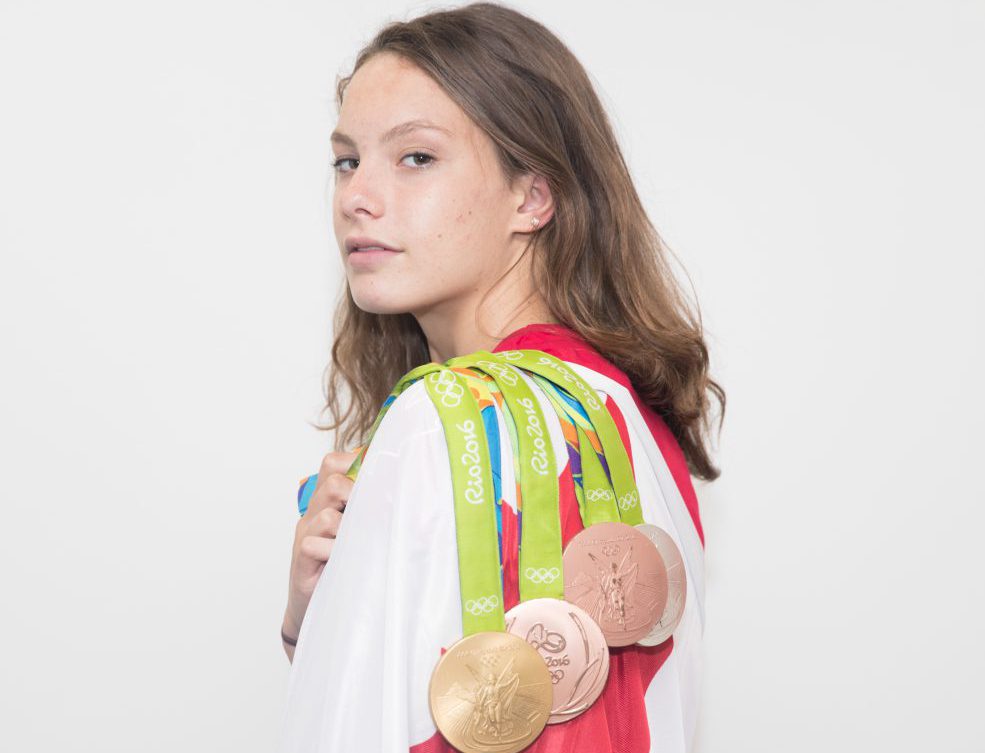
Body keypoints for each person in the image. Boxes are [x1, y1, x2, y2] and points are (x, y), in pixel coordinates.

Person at [280, 3, 724, 751]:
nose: (357, 195)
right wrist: (316, 610)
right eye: (347, 159)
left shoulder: (437, 419)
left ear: (533, 195)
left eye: (415, 157)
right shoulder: (630, 415)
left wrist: (313, 628)